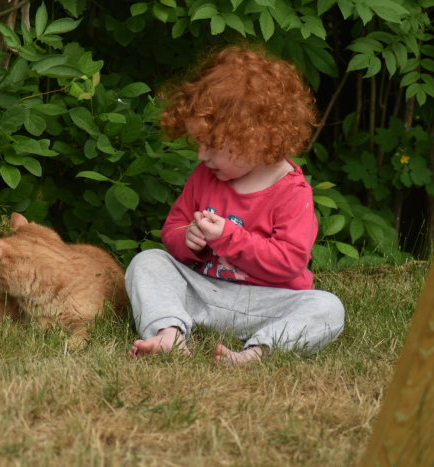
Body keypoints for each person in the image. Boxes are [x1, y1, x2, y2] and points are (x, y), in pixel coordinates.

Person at [125, 45, 345, 365]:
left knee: (327, 308)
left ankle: (256, 352)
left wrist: (229, 237)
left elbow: (289, 262)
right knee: (148, 262)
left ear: (256, 139)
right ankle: (169, 333)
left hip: (268, 305)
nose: (202, 156)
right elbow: (173, 228)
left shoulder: (292, 192)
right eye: (199, 144)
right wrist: (188, 239)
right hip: (202, 293)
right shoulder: (206, 176)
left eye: (212, 146)